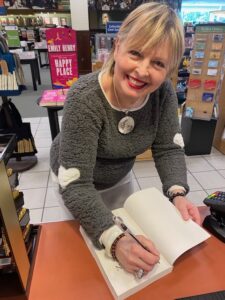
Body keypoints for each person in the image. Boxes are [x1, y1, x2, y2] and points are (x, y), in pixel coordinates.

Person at [50, 2, 201, 278]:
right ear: (117, 46)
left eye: (158, 63)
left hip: (119, 177)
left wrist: (177, 193)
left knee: (125, 245)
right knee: (91, 255)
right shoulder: (85, 99)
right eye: (135, 53)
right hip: (75, 181)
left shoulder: (163, 94)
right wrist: (115, 239)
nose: (142, 71)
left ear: (169, 69)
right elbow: (76, 185)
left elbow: (168, 147)